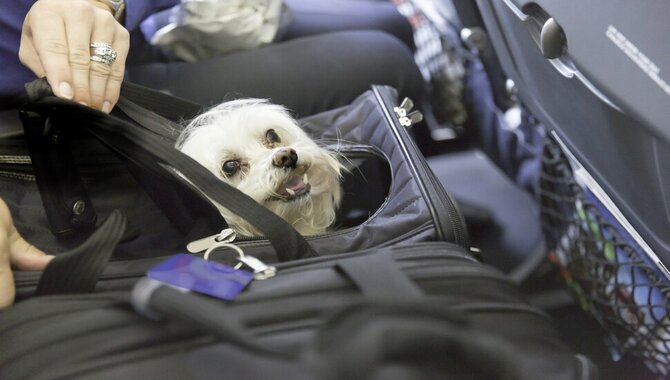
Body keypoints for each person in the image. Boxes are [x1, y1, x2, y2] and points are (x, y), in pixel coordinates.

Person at [0, 0, 425, 307]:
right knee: (386, 59)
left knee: (390, 19)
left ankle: (400, 205)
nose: (281, 155)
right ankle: (382, 226)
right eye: (232, 167)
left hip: (134, 42)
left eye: (274, 144)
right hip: (42, 107)